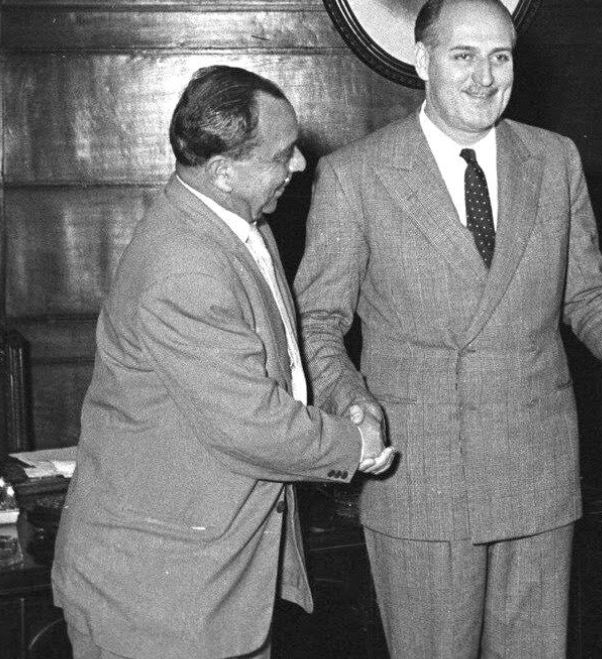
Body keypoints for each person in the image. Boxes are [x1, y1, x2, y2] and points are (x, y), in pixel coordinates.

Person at [293, 0, 602, 655]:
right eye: (464, 56)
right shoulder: (355, 175)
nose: (485, 77)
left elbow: (591, 297)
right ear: (423, 61)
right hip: (419, 475)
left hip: (535, 471)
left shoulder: (555, 159)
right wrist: (351, 398)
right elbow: (316, 322)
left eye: (500, 56)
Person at [51, 65, 395, 659]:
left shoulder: (239, 224)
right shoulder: (184, 267)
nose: (299, 165)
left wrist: (348, 397)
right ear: (222, 171)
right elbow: (250, 424)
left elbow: (281, 362)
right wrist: (353, 443)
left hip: (216, 576)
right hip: (158, 596)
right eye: (281, 155)